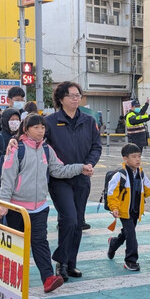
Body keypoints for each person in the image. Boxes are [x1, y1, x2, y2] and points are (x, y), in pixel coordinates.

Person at [0, 114, 88, 293]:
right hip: (17, 207)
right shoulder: (17, 149)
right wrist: (4, 204)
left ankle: (48, 278)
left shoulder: (47, 149)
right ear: (26, 129)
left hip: (39, 207)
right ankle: (7, 278)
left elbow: (58, 170)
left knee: (40, 242)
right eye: (36, 127)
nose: (40, 131)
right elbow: (7, 178)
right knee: (15, 245)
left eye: (43, 127)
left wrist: (80, 168)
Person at [45, 81, 102, 281]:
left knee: (77, 222)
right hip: (60, 179)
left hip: (82, 177)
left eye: (78, 95)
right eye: (72, 95)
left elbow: (96, 146)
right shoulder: (50, 122)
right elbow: (36, 142)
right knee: (68, 218)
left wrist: (90, 163)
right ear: (61, 99)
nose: (76, 98)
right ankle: (61, 261)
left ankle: (70, 264)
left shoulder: (88, 121)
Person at [106, 143, 150, 271]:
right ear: (125, 159)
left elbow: (149, 190)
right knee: (131, 235)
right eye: (134, 157)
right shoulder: (120, 175)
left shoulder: (140, 174)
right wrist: (114, 208)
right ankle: (131, 260)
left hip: (135, 212)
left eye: (139, 156)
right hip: (123, 212)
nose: (138, 159)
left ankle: (113, 244)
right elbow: (111, 194)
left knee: (126, 233)